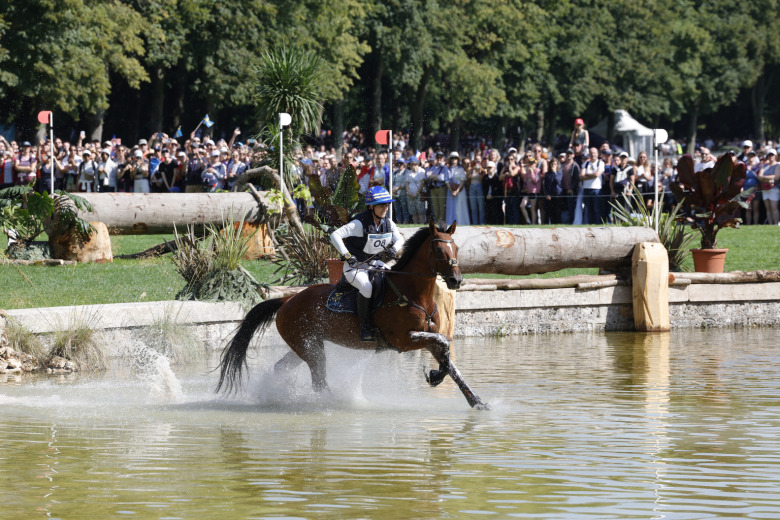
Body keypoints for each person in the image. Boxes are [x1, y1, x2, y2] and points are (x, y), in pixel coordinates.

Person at [330, 186, 405, 341]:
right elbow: (335, 235)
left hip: (374, 263)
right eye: (381, 205)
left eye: (387, 205)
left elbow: (400, 239)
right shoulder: (359, 223)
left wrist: (394, 249)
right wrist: (347, 255)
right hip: (354, 267)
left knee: (395, 281)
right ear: (371, 207)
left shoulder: (388, 223)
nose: (385, 208)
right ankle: (365, 327)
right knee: (366, 287)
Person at [445, 152, 470, 226]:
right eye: (452, 158)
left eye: (455, 158)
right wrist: (451, 191)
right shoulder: (447, 169)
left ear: (458, 159)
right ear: (450, 159)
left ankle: (461, 223)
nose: (454, 160)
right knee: (451, 207)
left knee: (460, 207)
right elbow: (446, 181)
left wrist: (457, 191)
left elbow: (463, 181)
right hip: (450, 191)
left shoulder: (461, 169)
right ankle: (451, 224)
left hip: (460, 191)